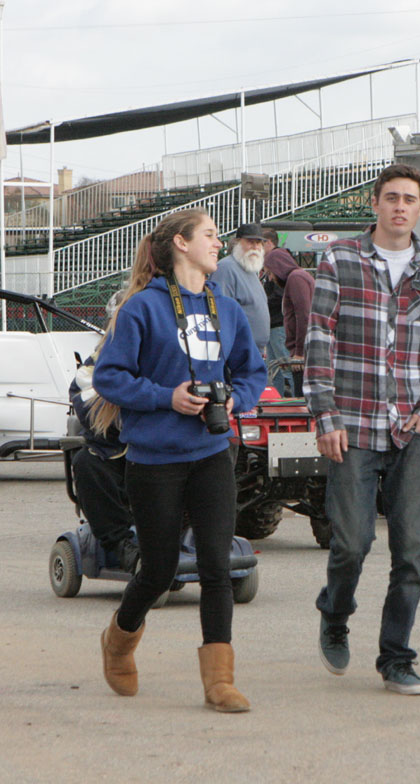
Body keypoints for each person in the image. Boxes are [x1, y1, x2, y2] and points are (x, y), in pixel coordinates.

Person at [92, 208, 267, 711]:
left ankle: (219, 682)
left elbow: (252, 372)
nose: (219, 243)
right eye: (209, 234)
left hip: (211, 453)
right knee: (159, 569)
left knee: (216, 565)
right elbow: (109, 377)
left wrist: (235, 399)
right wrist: (166, 397)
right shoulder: (141, 308)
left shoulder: (226, 308)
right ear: (181, 244)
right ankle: (119, 640)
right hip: (154, 459)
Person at [304, 163, 420, 696]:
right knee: (351, 543)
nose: (399, 206)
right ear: (375, 203)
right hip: (352, 425)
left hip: (411, 430)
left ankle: (396, 657)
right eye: (391, 197)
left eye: (409, 199)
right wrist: (325, 416)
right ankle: (335, 612)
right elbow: (319, 339)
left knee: (411, 553)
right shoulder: (340, 258)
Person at [68, 295, 138, 574]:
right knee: (86, 463)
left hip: (160, 447)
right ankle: (122, 546)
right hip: (113, 450)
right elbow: (86, 403)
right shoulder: (97, 360)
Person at [209, 222, 270, 355]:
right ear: (237, 243)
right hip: (237, 352)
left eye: (259, 243)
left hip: (253, 351)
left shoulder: (250, 269)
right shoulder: (226, 268)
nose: (255, 247)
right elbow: (220, 312)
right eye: (250, 242)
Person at [265, 248, 315, 397]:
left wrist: (299, 352)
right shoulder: (298, 277)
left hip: (304, 353)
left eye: (270, 273)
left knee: (301, 397)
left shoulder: (295, 278)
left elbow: (304, 315)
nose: (270, 278)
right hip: (306, 350)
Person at [261, 230, 294, 397]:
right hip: (272, 323)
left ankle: (297, 398)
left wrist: (262, 301)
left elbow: (280, 294)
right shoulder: (270, 265)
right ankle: (278, 400)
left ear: (269, 242)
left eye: (261, 243)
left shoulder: (279, 263)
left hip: (278, 323)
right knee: (274, 369)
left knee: (285, 367)